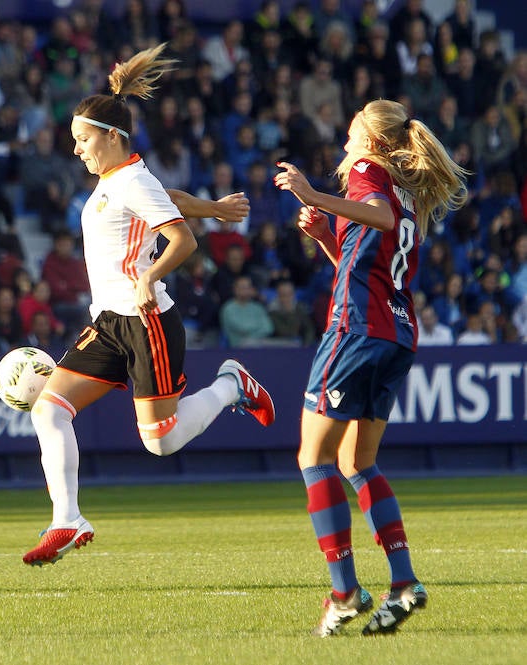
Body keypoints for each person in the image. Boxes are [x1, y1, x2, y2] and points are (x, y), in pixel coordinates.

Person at [23, 43, 274, 568]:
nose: (77, 150)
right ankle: (67, 519)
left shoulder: (131, 180)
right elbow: (170, 197)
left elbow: (181, 241)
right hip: (109, 323)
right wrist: (217, 208)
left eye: (82, 139)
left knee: (160, 444)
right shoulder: (121, 180)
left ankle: (232, 385)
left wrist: (150, 276)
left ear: (112, 137)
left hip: (147, 321)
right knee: (49, 409)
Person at [273, 98, 468, 636]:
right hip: (395, 335)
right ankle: (403, 582)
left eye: (354, 127)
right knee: (358, 461)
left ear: (374, 141)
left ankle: (343, 592)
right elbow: (366, 264)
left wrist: (315, 196)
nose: (346, 138)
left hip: (356, 331)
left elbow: (375, 218)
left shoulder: (367, 172)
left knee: (314, 457)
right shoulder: (404, 194)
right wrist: (323, 236)